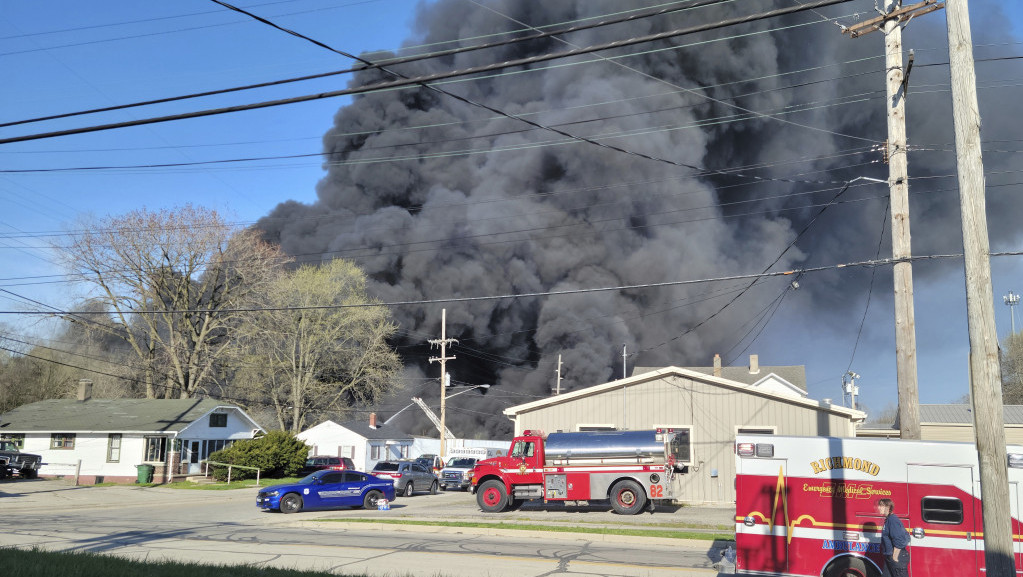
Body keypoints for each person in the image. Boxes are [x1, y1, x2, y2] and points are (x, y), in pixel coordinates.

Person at [876, 497, 911, 577]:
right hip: (889, 557)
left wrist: (894, 557)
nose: (879, 507)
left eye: (881, 505)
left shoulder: (892, 520)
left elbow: (900, 539)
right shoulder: (888, 520)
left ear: (888, 507)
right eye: (879, 505)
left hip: (897, 557)